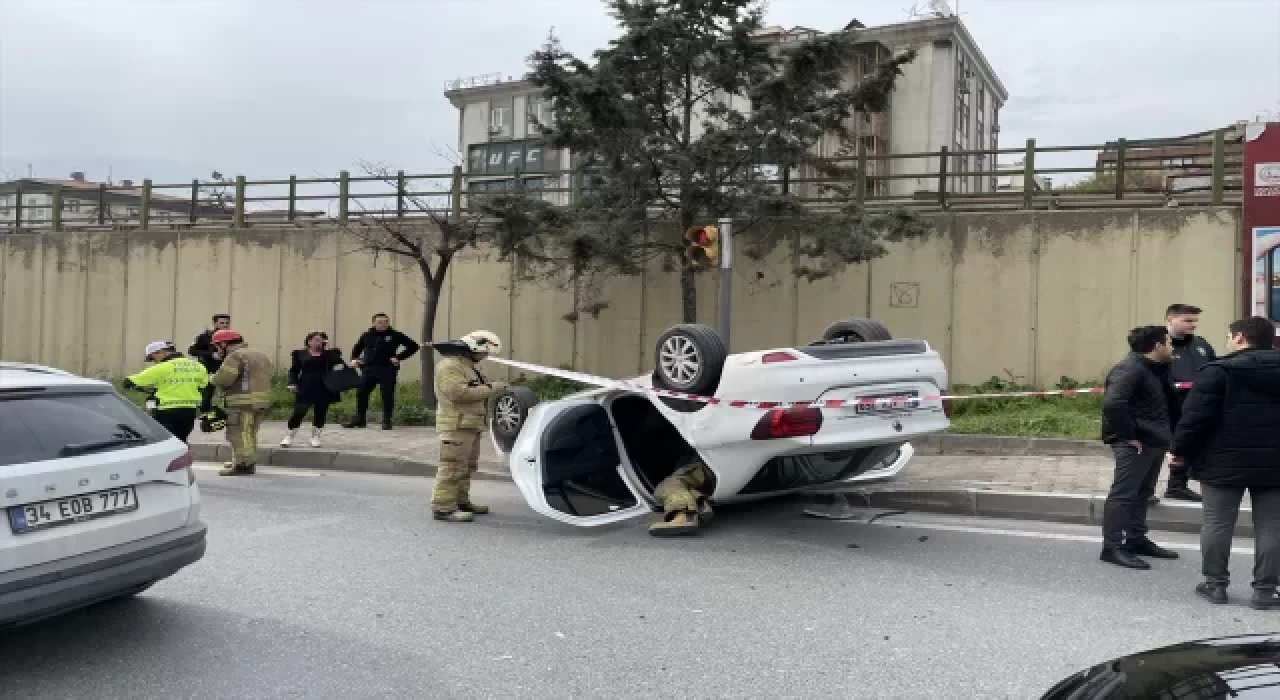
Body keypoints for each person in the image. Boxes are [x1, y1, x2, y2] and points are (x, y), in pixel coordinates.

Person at [1169, 317, 1280, 608]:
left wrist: (1179, 450)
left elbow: (1194, 418)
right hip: (1274, 463)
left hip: (1222, 462)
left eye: (1230, 336)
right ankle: (1266, 591)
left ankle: (1215, 584)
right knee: (1272, 526)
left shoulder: (1218, 371)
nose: (1228, 342)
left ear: (1241, 338)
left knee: (1217, 523)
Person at [1098, 325, 1181, 570]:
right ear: (1157, 346)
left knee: (1143, 492)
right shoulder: (1130, 369)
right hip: (1136, 442)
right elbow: (1113, 405)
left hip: (1154, 439)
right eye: (1168, 342)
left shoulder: (1155, 369)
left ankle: (1136, 539)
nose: (1171, 347)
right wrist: (1128, 435)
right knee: (1124, 493)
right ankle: (1112, 546)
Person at [429, 330, 505, 523]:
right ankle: (443, 508)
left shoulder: (470, 367)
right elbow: (458, 393)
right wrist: (493, 388)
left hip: (470, 424)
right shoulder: (450, 366)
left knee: (466, 467)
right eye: (484, 352)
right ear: (474, 348)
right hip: (456, 425)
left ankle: (461, 502)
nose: (485, 357)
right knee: (452, 467)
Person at [1161, 303, 1217, 503]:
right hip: (1168, 404)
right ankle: (1145, 489)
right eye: (1188, 321)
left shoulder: (1200, 344)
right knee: (1163, 447)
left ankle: (1177, 485)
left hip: (1196, 404)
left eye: (1195, 321)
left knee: (1189, 443)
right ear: (1170, 320)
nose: (1193, 325)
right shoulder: (1158, 344)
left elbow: (1213, 369)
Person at [208, 329, 273, 476]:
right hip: (261, 401)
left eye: (217, 346)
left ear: (224, 344)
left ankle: (243, 465)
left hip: (241, 402)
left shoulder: (235, 356)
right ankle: (243, 460)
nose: (217, 350)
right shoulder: (260, 354)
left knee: (238, 434)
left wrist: (212, 378)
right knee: (250, 434)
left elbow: (225, 379)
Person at [342, 313, 420, 430]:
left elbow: (413, 346)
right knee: (362, 392)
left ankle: (387, 421)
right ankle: (360, 419)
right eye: (380, 322)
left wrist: (399, 357)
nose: (383, 324)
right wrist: (354, 359)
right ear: (374, 323)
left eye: (386, 322)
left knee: (387, 394)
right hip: (369, 368)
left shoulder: (395, 335)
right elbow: (357, 348)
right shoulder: (367, 335)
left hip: (387, 369)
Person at [121, 341, 208, 443]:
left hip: (166, 412)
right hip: (189, 412)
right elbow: (202, 386)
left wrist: (147, 390)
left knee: (166, 443)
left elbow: (128, 382)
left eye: (152, 358)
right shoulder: (199, 367)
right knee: (182, 440)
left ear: (160, 352)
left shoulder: (161, 368)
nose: (154, 361)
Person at [281, 331, 347, 448]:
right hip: (306, 386)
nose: (319, 342)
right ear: (309, 341)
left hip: (324, 387)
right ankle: (289, 435)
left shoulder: (329, 354)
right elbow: (294, 370)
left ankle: (315, 437)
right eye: (316, 339)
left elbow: (341, 365)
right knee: (299, 411)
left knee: (321, 412)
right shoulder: (300, 354)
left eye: (321, 340)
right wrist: (292, 383)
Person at [649, 455, 717, 537]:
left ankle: (685, 515)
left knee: (666, 486)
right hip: (713, 467)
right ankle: (699, 503)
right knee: (684, 487)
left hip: (707, 465)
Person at [189, 313, 232, 413]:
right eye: (222, 323)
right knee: (207, 392)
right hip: (208, 369)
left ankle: (228, 412)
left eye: (227, 323)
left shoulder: (233, 337)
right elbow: (192, 351)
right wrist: (211, 354)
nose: (225, 325)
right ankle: (204, 412)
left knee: (230, 392)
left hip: (227, 368)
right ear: (215, 323)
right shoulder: (205, 337)